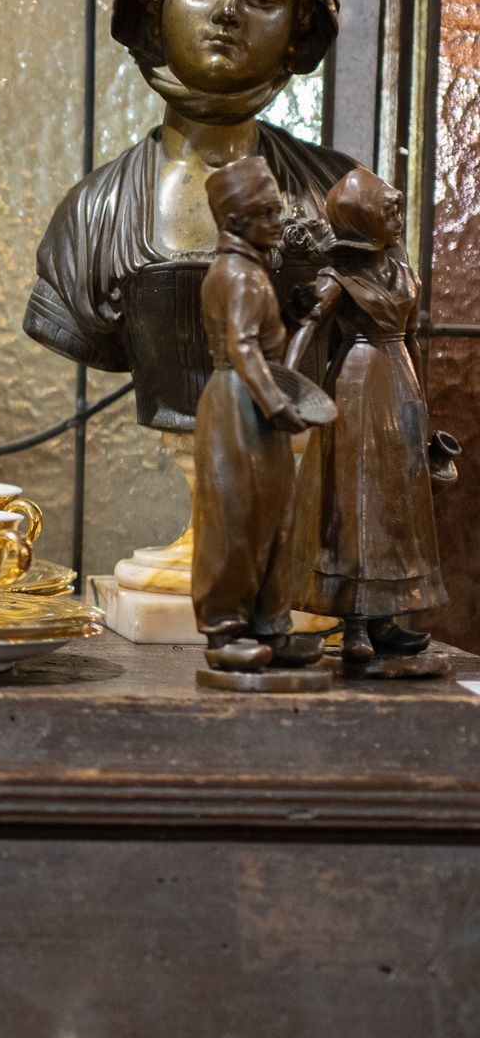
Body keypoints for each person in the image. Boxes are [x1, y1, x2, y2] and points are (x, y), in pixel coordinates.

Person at [25, 0, 359, 434]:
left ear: (298, 25)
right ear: (156, 3)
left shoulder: (342, 194)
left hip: (297, 484)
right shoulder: (91, 217)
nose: (227, 11)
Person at [281, 168, 445, 662]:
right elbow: (308, 329)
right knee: (356, 499)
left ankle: (386, 618)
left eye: (397, 210)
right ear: (362, 220)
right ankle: (354, 622)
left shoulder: (402, 270)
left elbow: (411, 337)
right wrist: (284, 388)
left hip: (398, 381)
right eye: (387, 211)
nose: (396, 219)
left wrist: (422, 400)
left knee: (399, 502)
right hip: (356, 383)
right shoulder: (339, 277)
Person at [191, 157, 324, 673]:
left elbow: (260, 337)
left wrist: (289, 311)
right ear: (235, 223)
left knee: (276, 519)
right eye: (267, 214)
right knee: (236, 520)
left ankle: (272, 624)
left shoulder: (250, 273)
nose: (278, 222)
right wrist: (277, 404)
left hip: (252, 400)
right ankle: (225, 630)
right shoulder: (236, 276)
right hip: (238, 404)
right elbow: (244, 348)